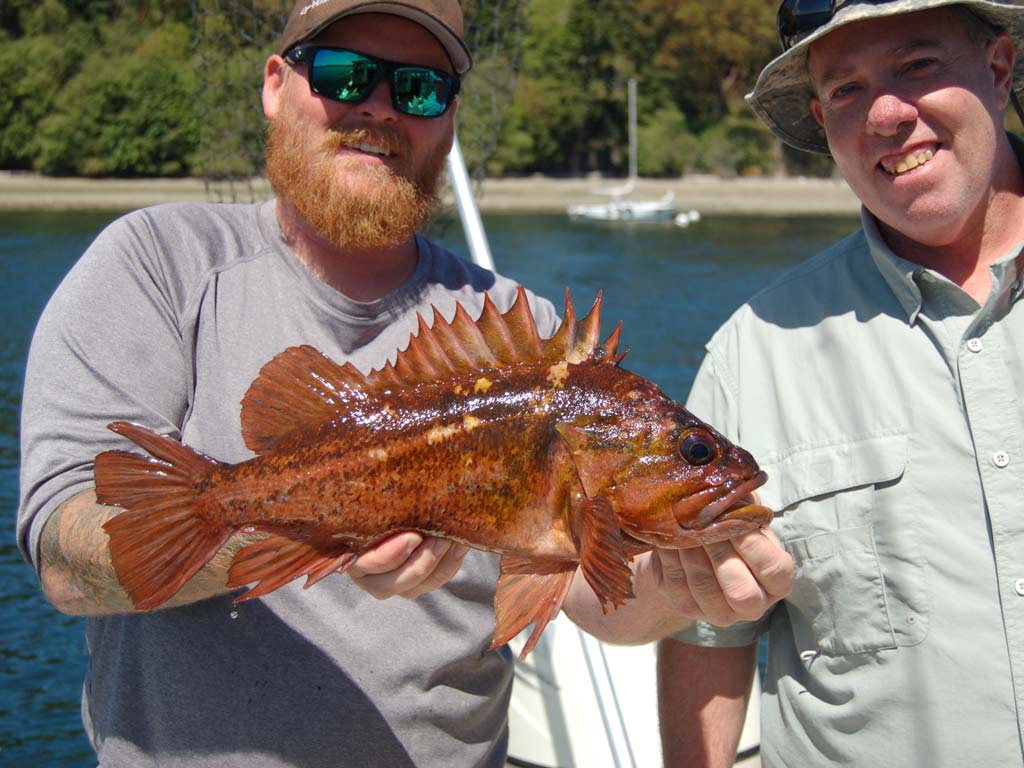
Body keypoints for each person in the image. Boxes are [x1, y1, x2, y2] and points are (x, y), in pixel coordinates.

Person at [16, 0, 793, 765]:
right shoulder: (157, 265)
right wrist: (305, 520)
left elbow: (593, 599)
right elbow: (63, 562)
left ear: (448, 122)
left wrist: (682, 588)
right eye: (347, 74)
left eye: (420, 88)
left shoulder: (530, 331)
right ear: (275, 84)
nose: (381, 107)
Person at [658, 1, 1024, 766]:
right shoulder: (751, 351)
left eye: (918, 66)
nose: (887, 114)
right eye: (848, 91)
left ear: (998, 70)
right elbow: (708, 637)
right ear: (823, 121)